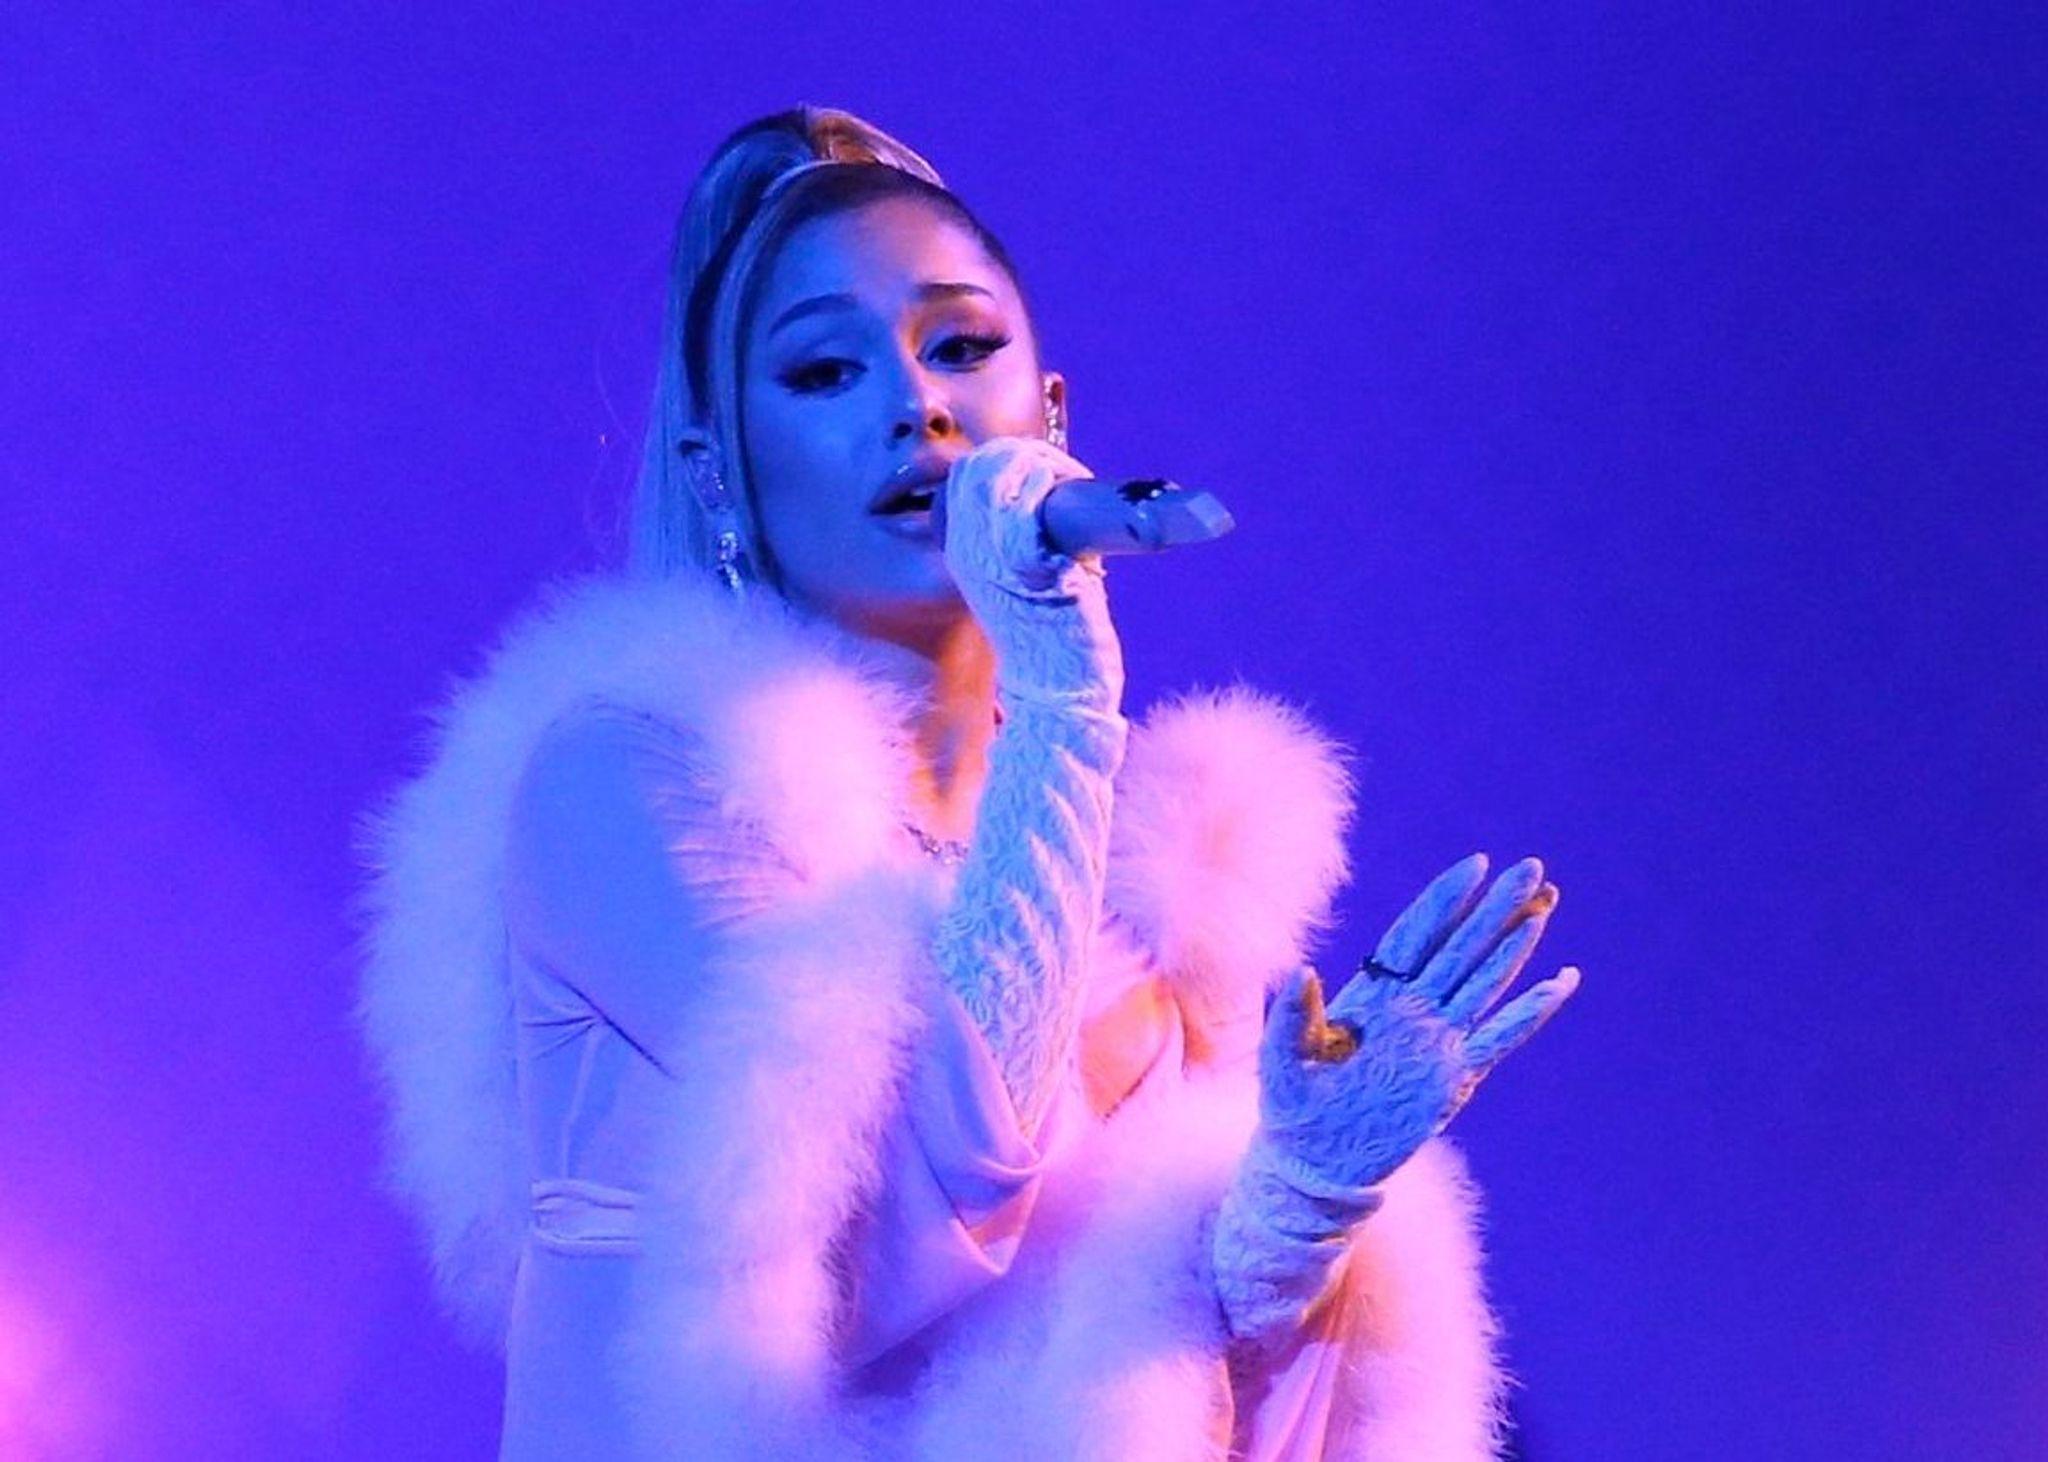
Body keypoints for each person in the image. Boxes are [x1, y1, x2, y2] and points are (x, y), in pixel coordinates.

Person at [358, 104, 1581, 1460]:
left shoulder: (1156, 877)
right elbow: (881, 1227)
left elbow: (1138, 1362)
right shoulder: (629, 781)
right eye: (826, 371)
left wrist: (1302, 1195)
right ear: (717, 471)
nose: (917, 406)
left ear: (1049, 417)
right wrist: (1061, 691)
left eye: (961, 347)